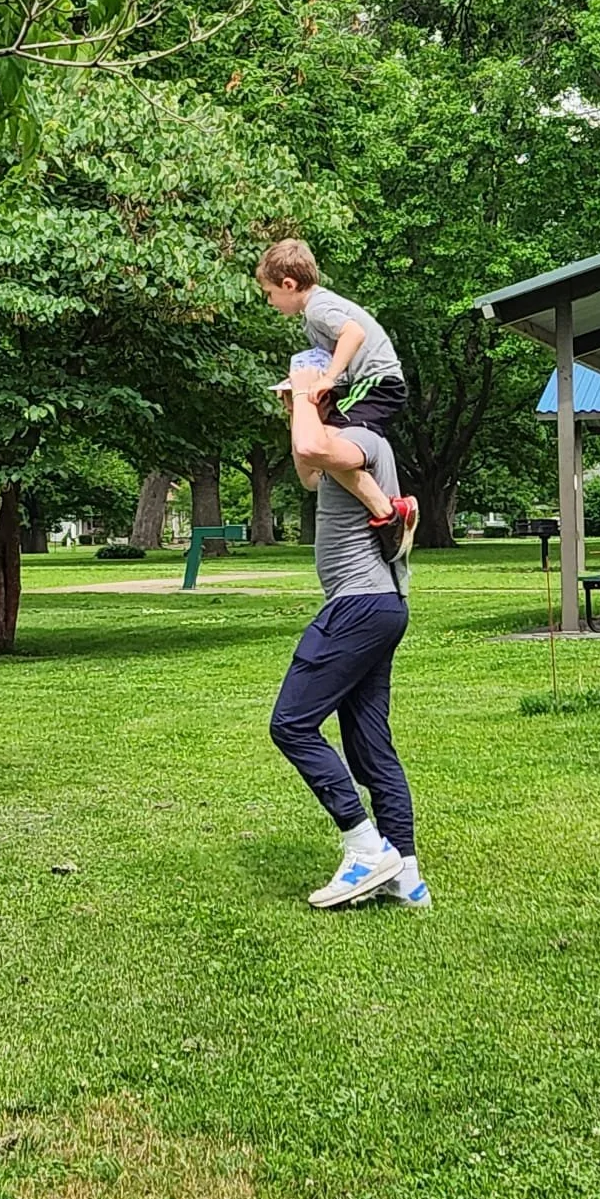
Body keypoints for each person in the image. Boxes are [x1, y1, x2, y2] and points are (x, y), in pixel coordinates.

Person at [269, 364, 432, 913]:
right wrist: (301, 410)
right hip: (379, 606)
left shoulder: (358, 436)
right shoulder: (340, 443)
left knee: (290, 723)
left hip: (358, 605)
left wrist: (307, 401)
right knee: (368, 743)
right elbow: (308, 471)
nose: (286, 405)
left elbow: (318, 451)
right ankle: (405, 873)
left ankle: (364, 846)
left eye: (290, 396)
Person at [256, 237, 416, 563]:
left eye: (270, 293)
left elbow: (353, 334)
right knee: (321, 443)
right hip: (366, 384)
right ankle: (386, 509)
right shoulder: (316, 309)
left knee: (326, 443)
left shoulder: (317, 308)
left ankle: (391, 513)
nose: (270, 301)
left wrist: (329, 378)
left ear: (289, 284)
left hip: (377, 385)